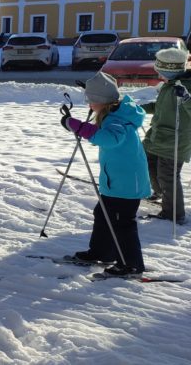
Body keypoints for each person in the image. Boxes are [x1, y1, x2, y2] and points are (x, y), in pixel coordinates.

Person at [60, 72, 150, 277]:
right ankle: (102, 252)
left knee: (122, 223)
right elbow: (103, 135)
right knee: (103, 215)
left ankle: (131, 264)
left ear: (101, 100)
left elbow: (109, 139)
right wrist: (80, 127)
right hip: (116, 182)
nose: (89, 104)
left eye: (91, 100)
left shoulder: (117, 121)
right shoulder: (115, 116)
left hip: (126, 185)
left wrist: (77, 126)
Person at [139, 48, 191, 225]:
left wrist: (186, 98)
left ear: (171, 71)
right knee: (146, 161)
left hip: (175, 141)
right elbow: (159, 106)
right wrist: (138, 108)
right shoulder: (169, 86)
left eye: (160, 72)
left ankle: (174, 213)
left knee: (168, 176)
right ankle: (161, 191)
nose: (158, 75)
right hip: (157, 136)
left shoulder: (185, 87)